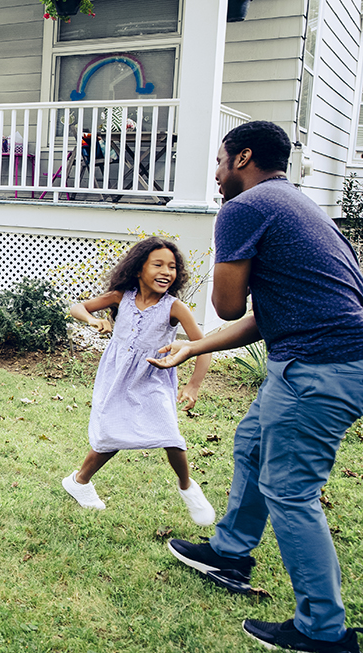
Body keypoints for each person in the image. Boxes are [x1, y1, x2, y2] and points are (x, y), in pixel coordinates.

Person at [150, 120, 363, 653]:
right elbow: (267, 317)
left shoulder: (245, 207)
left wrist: (224, 241)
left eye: (220, 162)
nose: (216, 175)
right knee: (252, 445)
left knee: (290, 490)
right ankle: (229, 553)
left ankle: (323, 631)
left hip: (318, 366)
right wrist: (194, 347)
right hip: (323, 359)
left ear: (243, 158)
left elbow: (227, 306)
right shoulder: (298, 205)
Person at [62, 237, 215, 526]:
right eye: (158, 265)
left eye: (172, 267)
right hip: (118, 376)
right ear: (138, 269)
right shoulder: (121, 296)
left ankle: (187, 487)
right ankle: (79, 481)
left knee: (170, 435)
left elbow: (203, 347)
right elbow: (78, 307)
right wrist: (93, 320)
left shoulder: (174, 307)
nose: (166, 272)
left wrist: (193, 385)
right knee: (112, 434)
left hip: (153, 377)